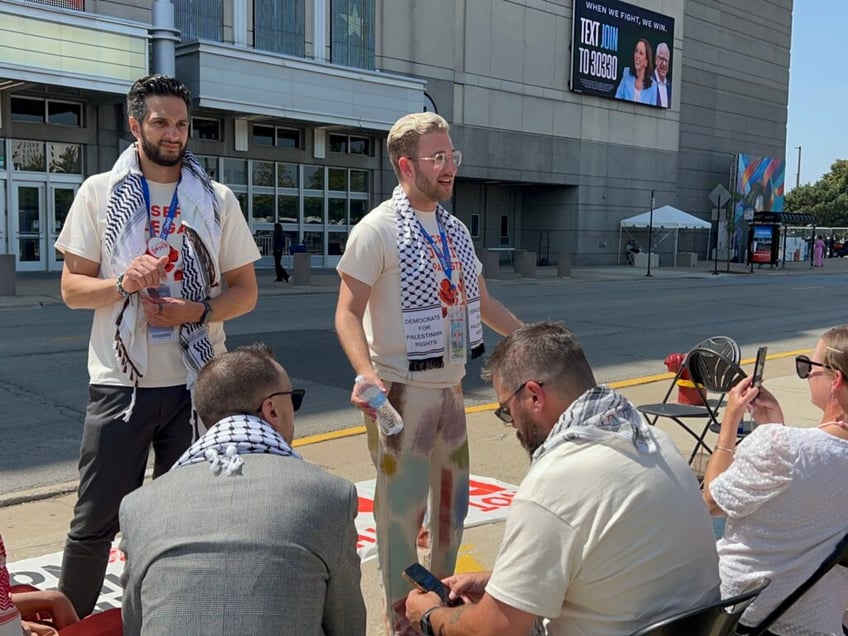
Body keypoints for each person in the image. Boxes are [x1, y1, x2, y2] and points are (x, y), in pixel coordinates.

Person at [53, 74, 260, 617]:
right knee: (95, 521)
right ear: (134, 124)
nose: (174, 134)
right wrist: (124, 284)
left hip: (199, 385)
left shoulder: (216, 200)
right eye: (162, 122)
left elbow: (245, 292)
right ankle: (69, 623)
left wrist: (198, 311)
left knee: (183, 522)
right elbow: (73, 289)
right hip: (123, 386)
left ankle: (166, 620)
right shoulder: (99, 192)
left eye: (182, 124)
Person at [404, 322, 720, 635]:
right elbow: (617, 565)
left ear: (533, 396)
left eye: (506, 410)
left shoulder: (555, 481)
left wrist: (430, 615)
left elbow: (495, 630)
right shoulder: (653, 439)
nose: (512, 424)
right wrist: (502, 584)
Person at [334, 112, 523, 634]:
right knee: (400, 518)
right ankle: (402, 620)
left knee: (451, 512)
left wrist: (530, 340)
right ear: (405, 164)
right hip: (402, 393)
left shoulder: (456, 231)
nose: (449, 168)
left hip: (451, 389)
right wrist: (365, 373)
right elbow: (347, 312)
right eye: (437, 158)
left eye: (452, 156)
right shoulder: (376, 230)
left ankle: (437, 614)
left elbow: (480, 302)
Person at [119, 343, 365, 635]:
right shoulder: (330, 495)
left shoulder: (139, 505)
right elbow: (347, 625)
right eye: (293, 400)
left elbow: (134, 624)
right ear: (272, 409)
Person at [703, 327, 848, 635]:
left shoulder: (782, 446)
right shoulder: (790, 446)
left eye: (809, 367)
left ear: (835, 380)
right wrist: (777, 428)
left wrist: (729, 426)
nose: (807, 374)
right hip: (818, 617)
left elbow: (712, 501)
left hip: (744, 615)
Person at [614, 38, 658, 105]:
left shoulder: (653, 86)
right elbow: (617, 99)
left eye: (641, 53)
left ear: (646, 62)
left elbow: (652, 113)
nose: (637, 56)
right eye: (636, 51)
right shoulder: (626, 74)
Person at [653, 42, 671, 107]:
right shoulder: (647, 81)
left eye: (666, 60)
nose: (664, 64)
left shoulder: (671, 87)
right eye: (662, 59)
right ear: (656, 59)